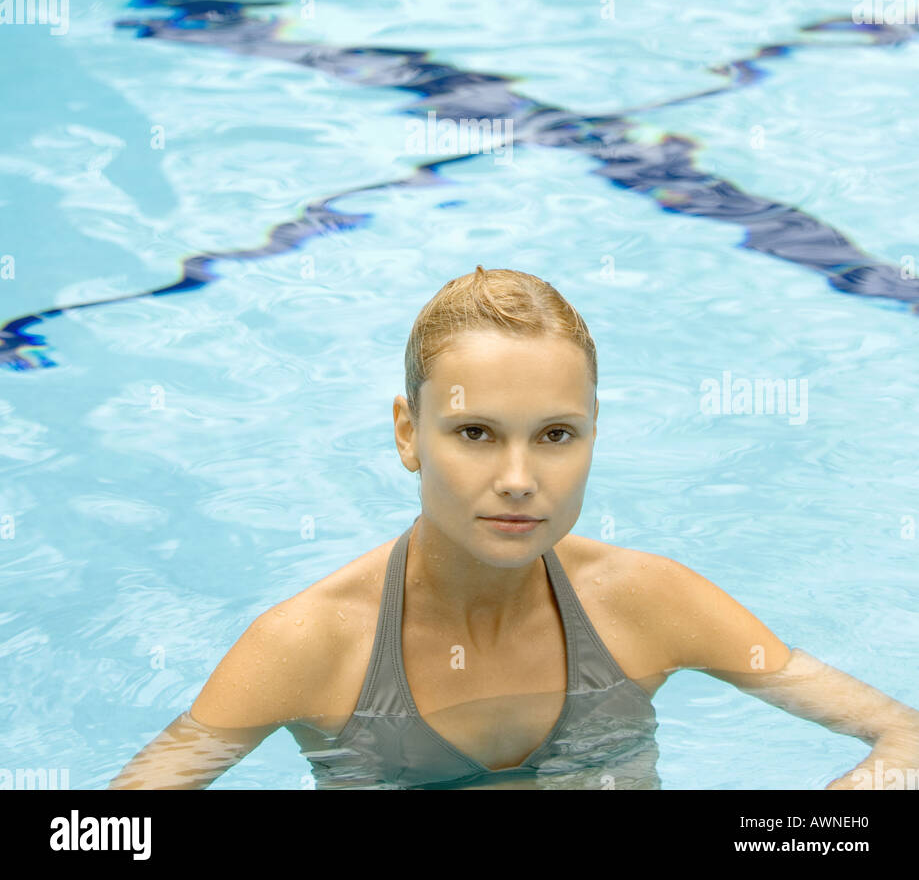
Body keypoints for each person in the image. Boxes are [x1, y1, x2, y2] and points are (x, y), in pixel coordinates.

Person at [107, 266, 919, 790]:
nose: (520, 479)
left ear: (594, 433)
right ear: (405, 433)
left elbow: (903, 738)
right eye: (475, 433)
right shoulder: (311, 646)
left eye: (555, 435)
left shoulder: (648, 603)